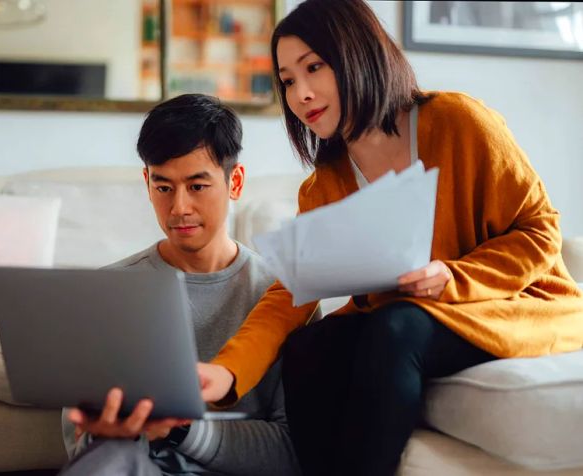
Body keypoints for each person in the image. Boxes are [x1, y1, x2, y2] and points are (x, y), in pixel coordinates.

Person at [196, 1, 583, 475]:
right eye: (288, 80)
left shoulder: (460, 122)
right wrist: (227, 370)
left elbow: (541, 230)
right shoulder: (324, 186)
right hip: (413, 318)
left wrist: (453, 276)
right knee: (308, 347)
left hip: (513, 304)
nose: (301, 93)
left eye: (314, 67)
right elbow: (290, 296)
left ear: (358, 54)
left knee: (397, 328)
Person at [59, 93, 301, 476]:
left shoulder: (285, 295)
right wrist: (103, 435)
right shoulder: (109, 289)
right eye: (164, 187)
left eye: (197, 186)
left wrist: (183, 430)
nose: (179, 208)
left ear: (234, 182)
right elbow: (79, 446)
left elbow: (292, 451)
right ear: (147, 182)